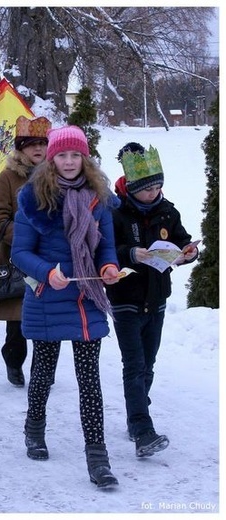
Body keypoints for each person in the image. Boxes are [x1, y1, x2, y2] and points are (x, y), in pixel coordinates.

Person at [11, 125, 122, 488]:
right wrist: (47, 273)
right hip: (48, 297)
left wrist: (107, 267)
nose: (70, 161)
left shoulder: (98, 196)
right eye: (63, 155)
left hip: (87, 296)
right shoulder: (33, 197)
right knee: (44, 372)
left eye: (76, 155)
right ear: (52, 158)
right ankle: (34, 427)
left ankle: (97, 457)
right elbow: (21, 252)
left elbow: (105, 246)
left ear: (84, 158)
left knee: (89, 380)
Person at [107, 142, 198, 457]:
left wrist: (189, 252)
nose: (154, 192)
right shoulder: (116, 213)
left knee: (149, 363)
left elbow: (182, 240)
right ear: (133, 188)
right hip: (125, 299)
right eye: (148, 188)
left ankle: (136, 414)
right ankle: (142, 429)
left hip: (156, 298)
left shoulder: (168, 211)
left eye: (158, 186)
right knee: (134, 364)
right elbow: (105, 250)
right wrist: (131, 254)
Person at [0, 115, 53, 387]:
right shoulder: (9, 177)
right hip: (18, 260)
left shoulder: (57, 174)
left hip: (50, 258)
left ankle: (42, 369)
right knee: (19, 322)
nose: (38, 149)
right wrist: (23, 237)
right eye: (31, 144)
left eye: (42, 143)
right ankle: (14, 361)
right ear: (21, 148)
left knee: (47, 320)